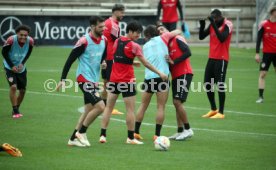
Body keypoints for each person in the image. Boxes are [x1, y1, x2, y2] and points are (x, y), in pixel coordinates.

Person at [99, 21, 168, 144]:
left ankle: (103, 135)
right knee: (130, 110)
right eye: (137, 33)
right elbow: (146, 63)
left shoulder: (116, 41)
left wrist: (131, 62)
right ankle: (130, 138)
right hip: (127, 81)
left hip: (114, 79)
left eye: (140, 33)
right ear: (130, 31)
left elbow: (118, 58)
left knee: (108, 108)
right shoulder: (134, 46)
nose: (139, 36)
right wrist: (160, 73)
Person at [56, 16, 106, 147]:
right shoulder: (84, 41)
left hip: (94, 80)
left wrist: (103, 62)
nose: (103, 29)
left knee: (88, 110)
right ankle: (82, 133)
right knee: (101, 107)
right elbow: (70, 60)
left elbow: (103, 56)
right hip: (83, 78)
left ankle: (72, 138)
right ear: (92, 27)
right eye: (100, 27)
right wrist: (63, 79)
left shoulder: (104, 40)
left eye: (104, 26)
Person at [134, 25, 181, 141]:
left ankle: (136, 132)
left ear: (146, 36)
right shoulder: (163, 37)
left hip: (149, 78)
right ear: (157, 33)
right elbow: (178, 31)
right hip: (162, 77)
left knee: (143, 105)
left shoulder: (144, 46)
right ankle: (157, 135)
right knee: (161, 107)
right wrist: (166, 32)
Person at [157, 25, 194, 140]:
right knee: (176, 103)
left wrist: (174, 61)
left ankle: (188, 129)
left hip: (184, 73)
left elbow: (188, 52)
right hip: (176, 76)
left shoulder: (177, 38)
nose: (160, 32)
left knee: (177, 102)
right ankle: (180, 131)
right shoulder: (165, 45)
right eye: (158, 31)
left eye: (162, 29)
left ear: (168, 31)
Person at [199, 9, 233, 119]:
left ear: (219, 17)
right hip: (212, 58)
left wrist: (212, 23)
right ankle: (213, 109)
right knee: (207, 84)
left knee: (220, 85)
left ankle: (221, 112)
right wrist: (202, 25)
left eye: (215, 19)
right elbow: (201, 36)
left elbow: (222, 38)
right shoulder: (213, 25)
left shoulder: (228, 24)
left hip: (222, 59)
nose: (214, 20)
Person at [2, 25, 34, 118]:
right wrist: (11, 66)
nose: (23, 37)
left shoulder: (30, 41)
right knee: (13, 87)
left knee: (23, 90)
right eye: (21, 35)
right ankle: (15, 111)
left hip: (21, 68)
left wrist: (22, 63)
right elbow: (4, 52)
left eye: (25, 35)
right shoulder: (11, 40)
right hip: (9, 67)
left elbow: (29, 52)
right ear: (17, 34)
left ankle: (16, 108)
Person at [101, 4, 125, 114]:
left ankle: (104, 106)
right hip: (110, 56)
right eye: (121, 12)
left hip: (105, 56)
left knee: (106, 82)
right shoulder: (113, 25)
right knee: (111, 83)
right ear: (115, 12)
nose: (123, 15)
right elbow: (117, 41)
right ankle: (109, 108)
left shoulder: (108, 22)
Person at [255, 6, 276, 103]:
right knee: (263, 74)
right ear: (272, 12)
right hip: (267, 54)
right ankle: (261, 97)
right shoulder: (263, 24)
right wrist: (257, 53)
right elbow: (258, 39)